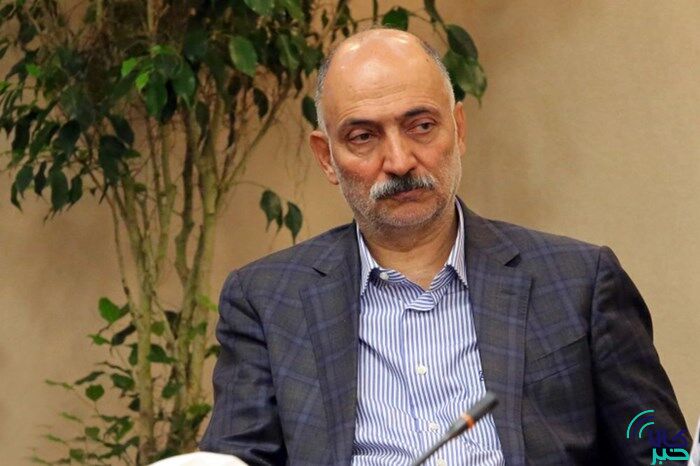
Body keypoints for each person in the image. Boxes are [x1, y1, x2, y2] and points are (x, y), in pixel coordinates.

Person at [200, 29, 687, 465]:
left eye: (421, 126)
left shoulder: (580, 281)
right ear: (327, 157)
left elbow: (663, 452)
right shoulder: (267, 300)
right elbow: (235, 460)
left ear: (459, 128)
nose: (399, 161)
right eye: (364, 136)